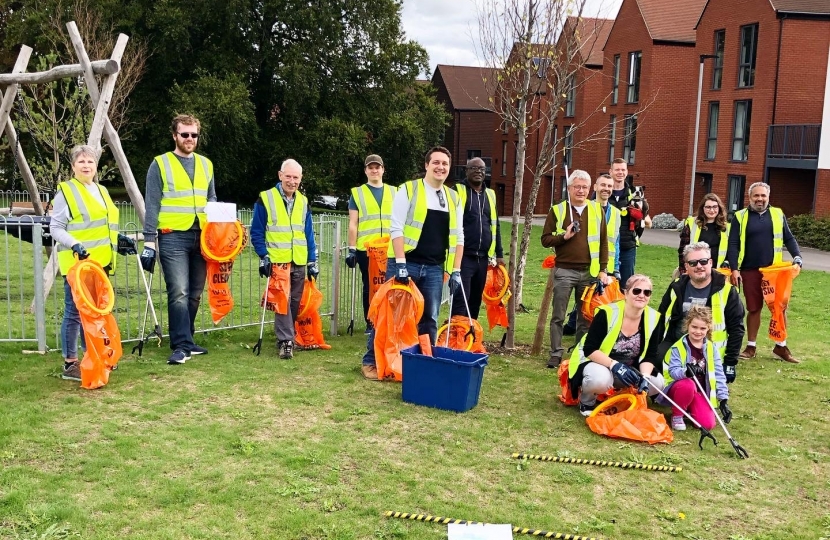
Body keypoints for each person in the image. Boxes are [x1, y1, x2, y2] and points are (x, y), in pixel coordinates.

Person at [360, 146, 464, 380]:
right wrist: (401, 263)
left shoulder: (453, 197)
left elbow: (459, 236)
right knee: (390, 314)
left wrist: (455, 270)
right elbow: (395, 227)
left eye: (445, 164)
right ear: (426, 165)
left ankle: (424, 363)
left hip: (435, 267)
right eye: (436, 162)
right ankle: (371, 361)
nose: (440, 167)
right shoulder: (409, 189)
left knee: (430, 317)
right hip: (406, 263)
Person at [50, 145, 136, 381]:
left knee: (97, 312)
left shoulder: (102, 190)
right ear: (73, 167)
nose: (86, 166)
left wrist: (121, 240)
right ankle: (70, 363)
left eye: (90, 162)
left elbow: (106, 225)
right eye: (81, 162)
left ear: (95, 166)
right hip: (78, 265)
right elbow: (55, 228)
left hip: (101, 263)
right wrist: (75, 244)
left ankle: (95, 355)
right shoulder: (66, 192)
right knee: (75, 312)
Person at [140, 114, 216, 365]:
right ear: (175, 135)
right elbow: (151, 205)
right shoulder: (159, 164)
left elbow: (212, 200)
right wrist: (149, 242)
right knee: (179, 291)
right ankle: (181, 344)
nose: (190, 139)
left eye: (194, 135)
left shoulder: (206, 164)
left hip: (201, 236)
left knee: (194, 293)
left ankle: (187, 338)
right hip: (172, 236)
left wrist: (222, 229)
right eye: (185, 134)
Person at [567, 274, 665, 416]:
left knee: (657, 383)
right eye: (636, 291)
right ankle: (587, 401)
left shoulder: (654, 318)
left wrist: (645, 376)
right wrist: (615, 365)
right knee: (599, 380)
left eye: (647, 292)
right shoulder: (607, 313)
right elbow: (590, 349)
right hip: (599, 362)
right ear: (626, 293)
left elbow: (650, 355)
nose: (641, 295)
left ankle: (623, 397)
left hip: (631, 366)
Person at [250, 159, 319, 359]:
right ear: (280, 175)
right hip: (277, 260)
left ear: (300, 179)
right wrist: (264, 256)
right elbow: (256, 232)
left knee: (294, 302)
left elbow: (308, 234)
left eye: (295, 177)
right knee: (282, 301)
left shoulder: (303, 201)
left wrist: (312, 260)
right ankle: (286, 341)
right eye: (288, 176)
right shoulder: (266, 198)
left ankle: (286, 334)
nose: (291, 181)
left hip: (298, 259)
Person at [726, 182, 802, 363]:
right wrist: (735, 269)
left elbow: (789, 238)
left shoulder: (777, 214)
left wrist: (797, 257)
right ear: (750, 197)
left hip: (773, 271)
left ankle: (781, 347)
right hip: (749, 269)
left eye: (763, 196)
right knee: (754, 309)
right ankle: (751, 347)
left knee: (780, 308)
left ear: (768, 197)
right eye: (756, 196)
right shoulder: (740, 217)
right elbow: (733, 244)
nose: (760, 199)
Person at [541, 169, 610, 369]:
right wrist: (564, 237)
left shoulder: (597, 210)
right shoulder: (558, 210)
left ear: (590, 189)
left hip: (590, 272)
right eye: (577, 187)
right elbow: (545, 239)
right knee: (558, 315)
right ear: (569, 188)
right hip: (564, 271)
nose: (581, 191)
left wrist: (603, 270)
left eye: (585, 187)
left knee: (585, 316)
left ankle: (581, 352)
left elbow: (604, 243)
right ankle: (555, 353)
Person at [657, 242, 744, 383]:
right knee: (653, 365)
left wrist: (730, 363)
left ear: (711, 263)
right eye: (693, 263)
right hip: (675, 344)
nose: (699, 266)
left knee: (699, 385)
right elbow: (660, 319)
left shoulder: (727, 290)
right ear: (686, 267)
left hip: (708, 350)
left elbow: (737, 329)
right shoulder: (676, 286)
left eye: (703, 261)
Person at [563, 173, 620, 335]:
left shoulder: (615, 213)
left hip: (606, 265)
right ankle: (576, 327)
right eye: (603, 185)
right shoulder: (586, 208)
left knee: (602, 300)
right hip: (588, 265)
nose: (606, 189)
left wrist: (615, 267)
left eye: (610, 186)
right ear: (594, 187)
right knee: (585, 301)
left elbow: (615, 242)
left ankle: (598, 332)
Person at [345, 154, 396, 332]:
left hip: (389, 250)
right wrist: (352, 249)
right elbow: (353, 223)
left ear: (383, 169)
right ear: (366, 170)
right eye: (370, 167)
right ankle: (371, 321)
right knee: (370, 286)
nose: (374, 170)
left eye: (377, 167)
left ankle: (387, 320)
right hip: (366, 250)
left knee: (390, 285)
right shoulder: (357, 193)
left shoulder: (394, 192)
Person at [450, 156, 504, 320]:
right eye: (474, 168)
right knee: (461, 300)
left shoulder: (490, 195)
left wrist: (499, 254)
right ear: (466, 171)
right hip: (463, 257)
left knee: (474, 301)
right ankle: (456, 337)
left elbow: (495, 225)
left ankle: (471, 337)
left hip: (483, 259)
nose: (478, 171)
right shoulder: (457, 191)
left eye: (481, 169)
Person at [661, 306, 731, 431]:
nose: (698, 331)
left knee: (707, 424)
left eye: (702, 328)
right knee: (688, 384)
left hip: (700, 391)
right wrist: (686, 372)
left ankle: (690, 408)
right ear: (688, 325)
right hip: (679, 388)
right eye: (694, 327)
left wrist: (723, 399)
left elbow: (719, 374)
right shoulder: (678, 347)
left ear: (708, 328)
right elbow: (673, 371)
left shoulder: (711, 348)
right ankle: (677, 415)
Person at [608, 158, 648, 289]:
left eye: (623, 170)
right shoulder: (603, 192)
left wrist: (640, 216)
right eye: (617, 169)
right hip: (606, 247)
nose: (620, 172)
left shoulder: (633, 193)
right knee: (605, 286)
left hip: (627, 247)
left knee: (626, 286)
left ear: (627, 172)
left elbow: (648, 222)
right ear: (611, 171)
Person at [677, 194, 729, 273]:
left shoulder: (727, 227)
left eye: (715, 207)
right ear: (702, 208)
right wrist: (683, 271)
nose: (711, 210)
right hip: (696, 270)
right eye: (708, 207)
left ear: (719, 208)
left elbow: (732, 250)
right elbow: (682, 251)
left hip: (718, 271)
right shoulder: (692, 224)